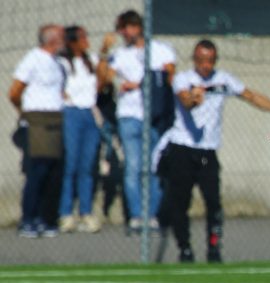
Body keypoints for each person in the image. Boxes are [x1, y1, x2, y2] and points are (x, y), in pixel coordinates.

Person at [153, 39, 270, 263]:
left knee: (213, 203)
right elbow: (185, 100)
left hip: (208, 152)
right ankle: (185, 249)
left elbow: (251, 96)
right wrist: (194, 99)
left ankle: (214, 250)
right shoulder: (183, 79)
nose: (206, 65)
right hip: (182, 149)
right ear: (194, 60)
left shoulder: (223, 80)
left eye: (210, 60)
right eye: (201, 60)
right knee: (180, 203)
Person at [97, 9, 176, 234]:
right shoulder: (120, 54)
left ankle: (151, 215)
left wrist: (140, 84)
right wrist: (104, 52)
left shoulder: (161, 50)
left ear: (137, 27)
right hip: (129, 117)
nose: (123, 33)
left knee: (153, 168)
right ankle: (136, 216)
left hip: (155, 116)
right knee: (133, 168)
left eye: (126, 28)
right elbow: (103, 81)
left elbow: (169, 78)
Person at [8, 24, 66, 238]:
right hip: (38, 119)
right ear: (51, 40)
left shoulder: (58, 63)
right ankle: (28, 219)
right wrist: (24, 112)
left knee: (54, 173)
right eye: (61, 37)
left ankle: (46, 218)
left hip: (56, 118)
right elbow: (14, 91)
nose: (64, 41)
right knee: (38, 171)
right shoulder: (32, 59)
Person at [57, 26, 102, 233]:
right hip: (71, 113)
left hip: (89, 113)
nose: (86, 40)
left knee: (87, 166)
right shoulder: (62, 62)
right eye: (82, 37)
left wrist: (105, 53)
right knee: (70, 164)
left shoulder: (91, 60)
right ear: (72, 41)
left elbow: (102, 83)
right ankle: (66, 213)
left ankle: (86, 212)